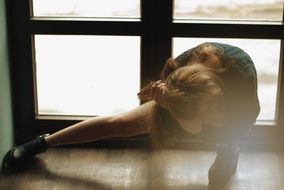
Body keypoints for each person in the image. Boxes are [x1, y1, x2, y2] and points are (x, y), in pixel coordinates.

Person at [1, 42, 260, 189]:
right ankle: (42, 142)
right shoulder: (176, 79)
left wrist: (221, 124)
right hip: (185, 103)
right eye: (208, 115)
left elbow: (245, 114)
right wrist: (180, 113)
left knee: (232, 133)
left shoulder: (241, 78)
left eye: (215, 108)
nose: (216, 117)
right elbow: (192, 126)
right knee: (121, 123)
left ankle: (227, 149)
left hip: (235, 108)